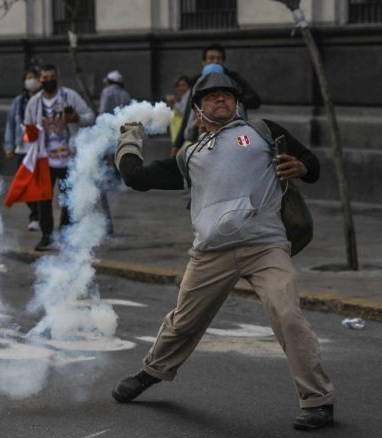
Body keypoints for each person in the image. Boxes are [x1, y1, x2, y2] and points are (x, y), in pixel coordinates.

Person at [111, 72, 335, 431]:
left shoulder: (261, 131)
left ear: (236, 102)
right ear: (198, 109)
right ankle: (151, 371)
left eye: (227, 96)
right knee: (183, 322)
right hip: (211, 253)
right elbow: (137, 178)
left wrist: (304, 166)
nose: (221, 101)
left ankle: (318, 400)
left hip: (265, 246)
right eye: (212, 96)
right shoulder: (191, 155)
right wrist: (129, 138)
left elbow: (313, 164)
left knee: (287, 313)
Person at [23, 64, 95, 251]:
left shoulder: (70, 96)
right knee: (44, 199)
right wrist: (31, 136)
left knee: (69, 198)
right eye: (45, 78)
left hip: (68, 158)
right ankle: (47, 236)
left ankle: (65, 235)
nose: (48, 81)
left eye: (51, 77)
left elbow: (90, 116)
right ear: (40, 80)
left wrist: (76, 118)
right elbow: (27, 126)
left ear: (57, 77)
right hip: (44, 159)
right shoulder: (34, 103)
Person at [171, 43, 261, 156]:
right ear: (203, 62)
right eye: (211, 58)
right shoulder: (197, 83)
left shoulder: (234, 80)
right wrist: (177, 145)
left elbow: (255, 101)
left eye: (218, 59)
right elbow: (188, 119)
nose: (220, 99)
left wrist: (235, 98)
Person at [4, 68, 41, 231]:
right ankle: (35, 212)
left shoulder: (42, 100)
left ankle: (37, 217)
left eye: (34, 77)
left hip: (39, 149)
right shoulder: (18, 102)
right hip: (22, 148)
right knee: (24, 185)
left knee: (39, 185)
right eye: (28, 78)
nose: (31, 80)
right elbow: (11, 124)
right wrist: (9, 144)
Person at [98, 69, 132, 236]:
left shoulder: (107, 92)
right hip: (123, 131)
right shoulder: (125, 93)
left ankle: (111, 178)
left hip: (109, 130)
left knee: (105, 160)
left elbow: (103, 112)